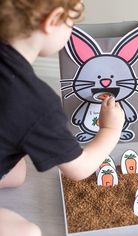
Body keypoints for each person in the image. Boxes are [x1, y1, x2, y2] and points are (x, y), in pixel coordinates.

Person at [0, 0, 125, 235]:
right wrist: (110, 129)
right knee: (27, 232)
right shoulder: (35, 104)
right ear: (54, 20)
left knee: (17, 172)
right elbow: (80, 169)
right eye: (72, 23)